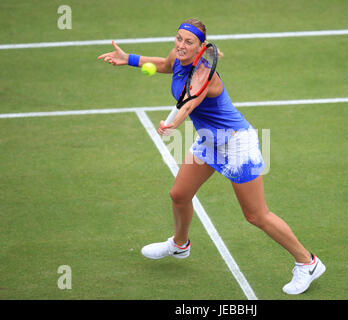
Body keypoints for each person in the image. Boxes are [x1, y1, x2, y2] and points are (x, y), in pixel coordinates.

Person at [97, 18, 325, 295]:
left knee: (256, 215)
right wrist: (129, 58)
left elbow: (190, 102)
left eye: (188, 42)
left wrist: (173, 124)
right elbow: (164, 65)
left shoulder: (207, 75)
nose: (180, 45)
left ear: (200, 46)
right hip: (209, 142)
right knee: (179, 194)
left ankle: (307, 262)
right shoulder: (178, 56)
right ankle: (180, 245)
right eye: (178, 38)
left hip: (238, 145)